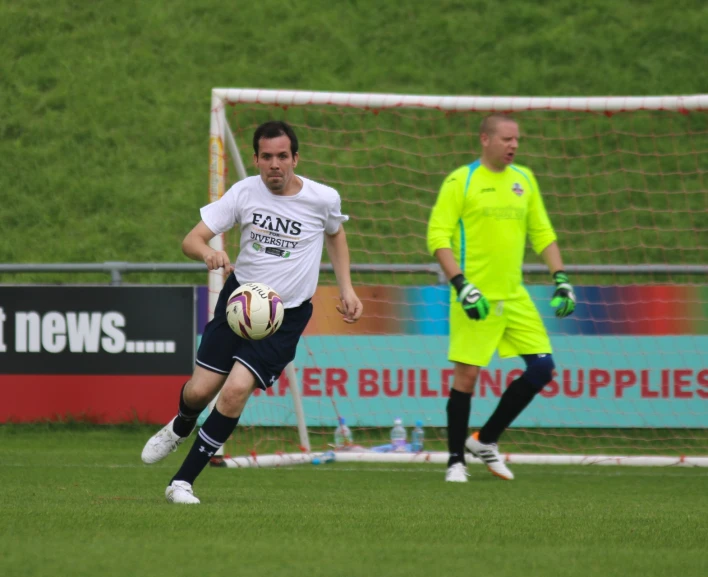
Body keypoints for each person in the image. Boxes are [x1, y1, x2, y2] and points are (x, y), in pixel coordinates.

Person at [141, 120, 363, 503]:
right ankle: (181, 424)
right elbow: (191, 240)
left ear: (295, 158)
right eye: (266, 157)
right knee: (199, 391)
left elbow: (335, 233)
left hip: (286, 315)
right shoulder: (243, 193)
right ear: (256, 160)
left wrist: (346, 287)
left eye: (282, 156)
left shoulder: (323, 198)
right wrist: (209, 252)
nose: (274, 164)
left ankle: (181, 482)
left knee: (234, 392)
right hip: (238, 303)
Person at [426, 113, 575, 483]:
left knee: (542, 368)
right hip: (474, 297)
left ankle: (486, 439)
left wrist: (561, 280)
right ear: (485, 140)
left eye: (517, 140)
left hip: (515, 297)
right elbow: (437, 237)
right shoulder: (462, 180)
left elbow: (542, 233)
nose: (513, 145)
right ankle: (455, 460)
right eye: (507, 139)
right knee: (468, 376)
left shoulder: (524, 179)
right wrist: (461, 284)